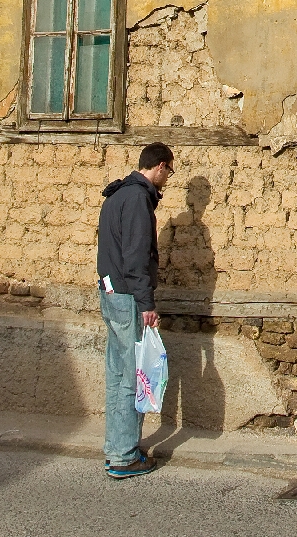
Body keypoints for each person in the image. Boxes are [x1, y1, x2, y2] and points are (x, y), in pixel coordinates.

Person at [98, 141, 172, 479]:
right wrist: (146, 304)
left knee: (116, 374)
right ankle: (126, 456)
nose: (168, 178)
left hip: (111, 293)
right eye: (168, 171)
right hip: (129, 297)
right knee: (131, 374)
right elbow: (137, 256)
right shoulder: (139, 199)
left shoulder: (116, 196)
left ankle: (116, 447)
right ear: (158, 166)